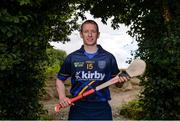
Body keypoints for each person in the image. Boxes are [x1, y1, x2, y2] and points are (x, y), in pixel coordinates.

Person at [56, 20, 129, 120]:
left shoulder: (108, 58)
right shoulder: (72, 58)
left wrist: (121, 81)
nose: (90, 34)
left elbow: (117, 83)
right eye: (86, 31)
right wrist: (62, 97)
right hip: (78, 109)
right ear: (81, 34)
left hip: (102, 109)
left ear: (98, 34)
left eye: (93, 31)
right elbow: (60, 79)